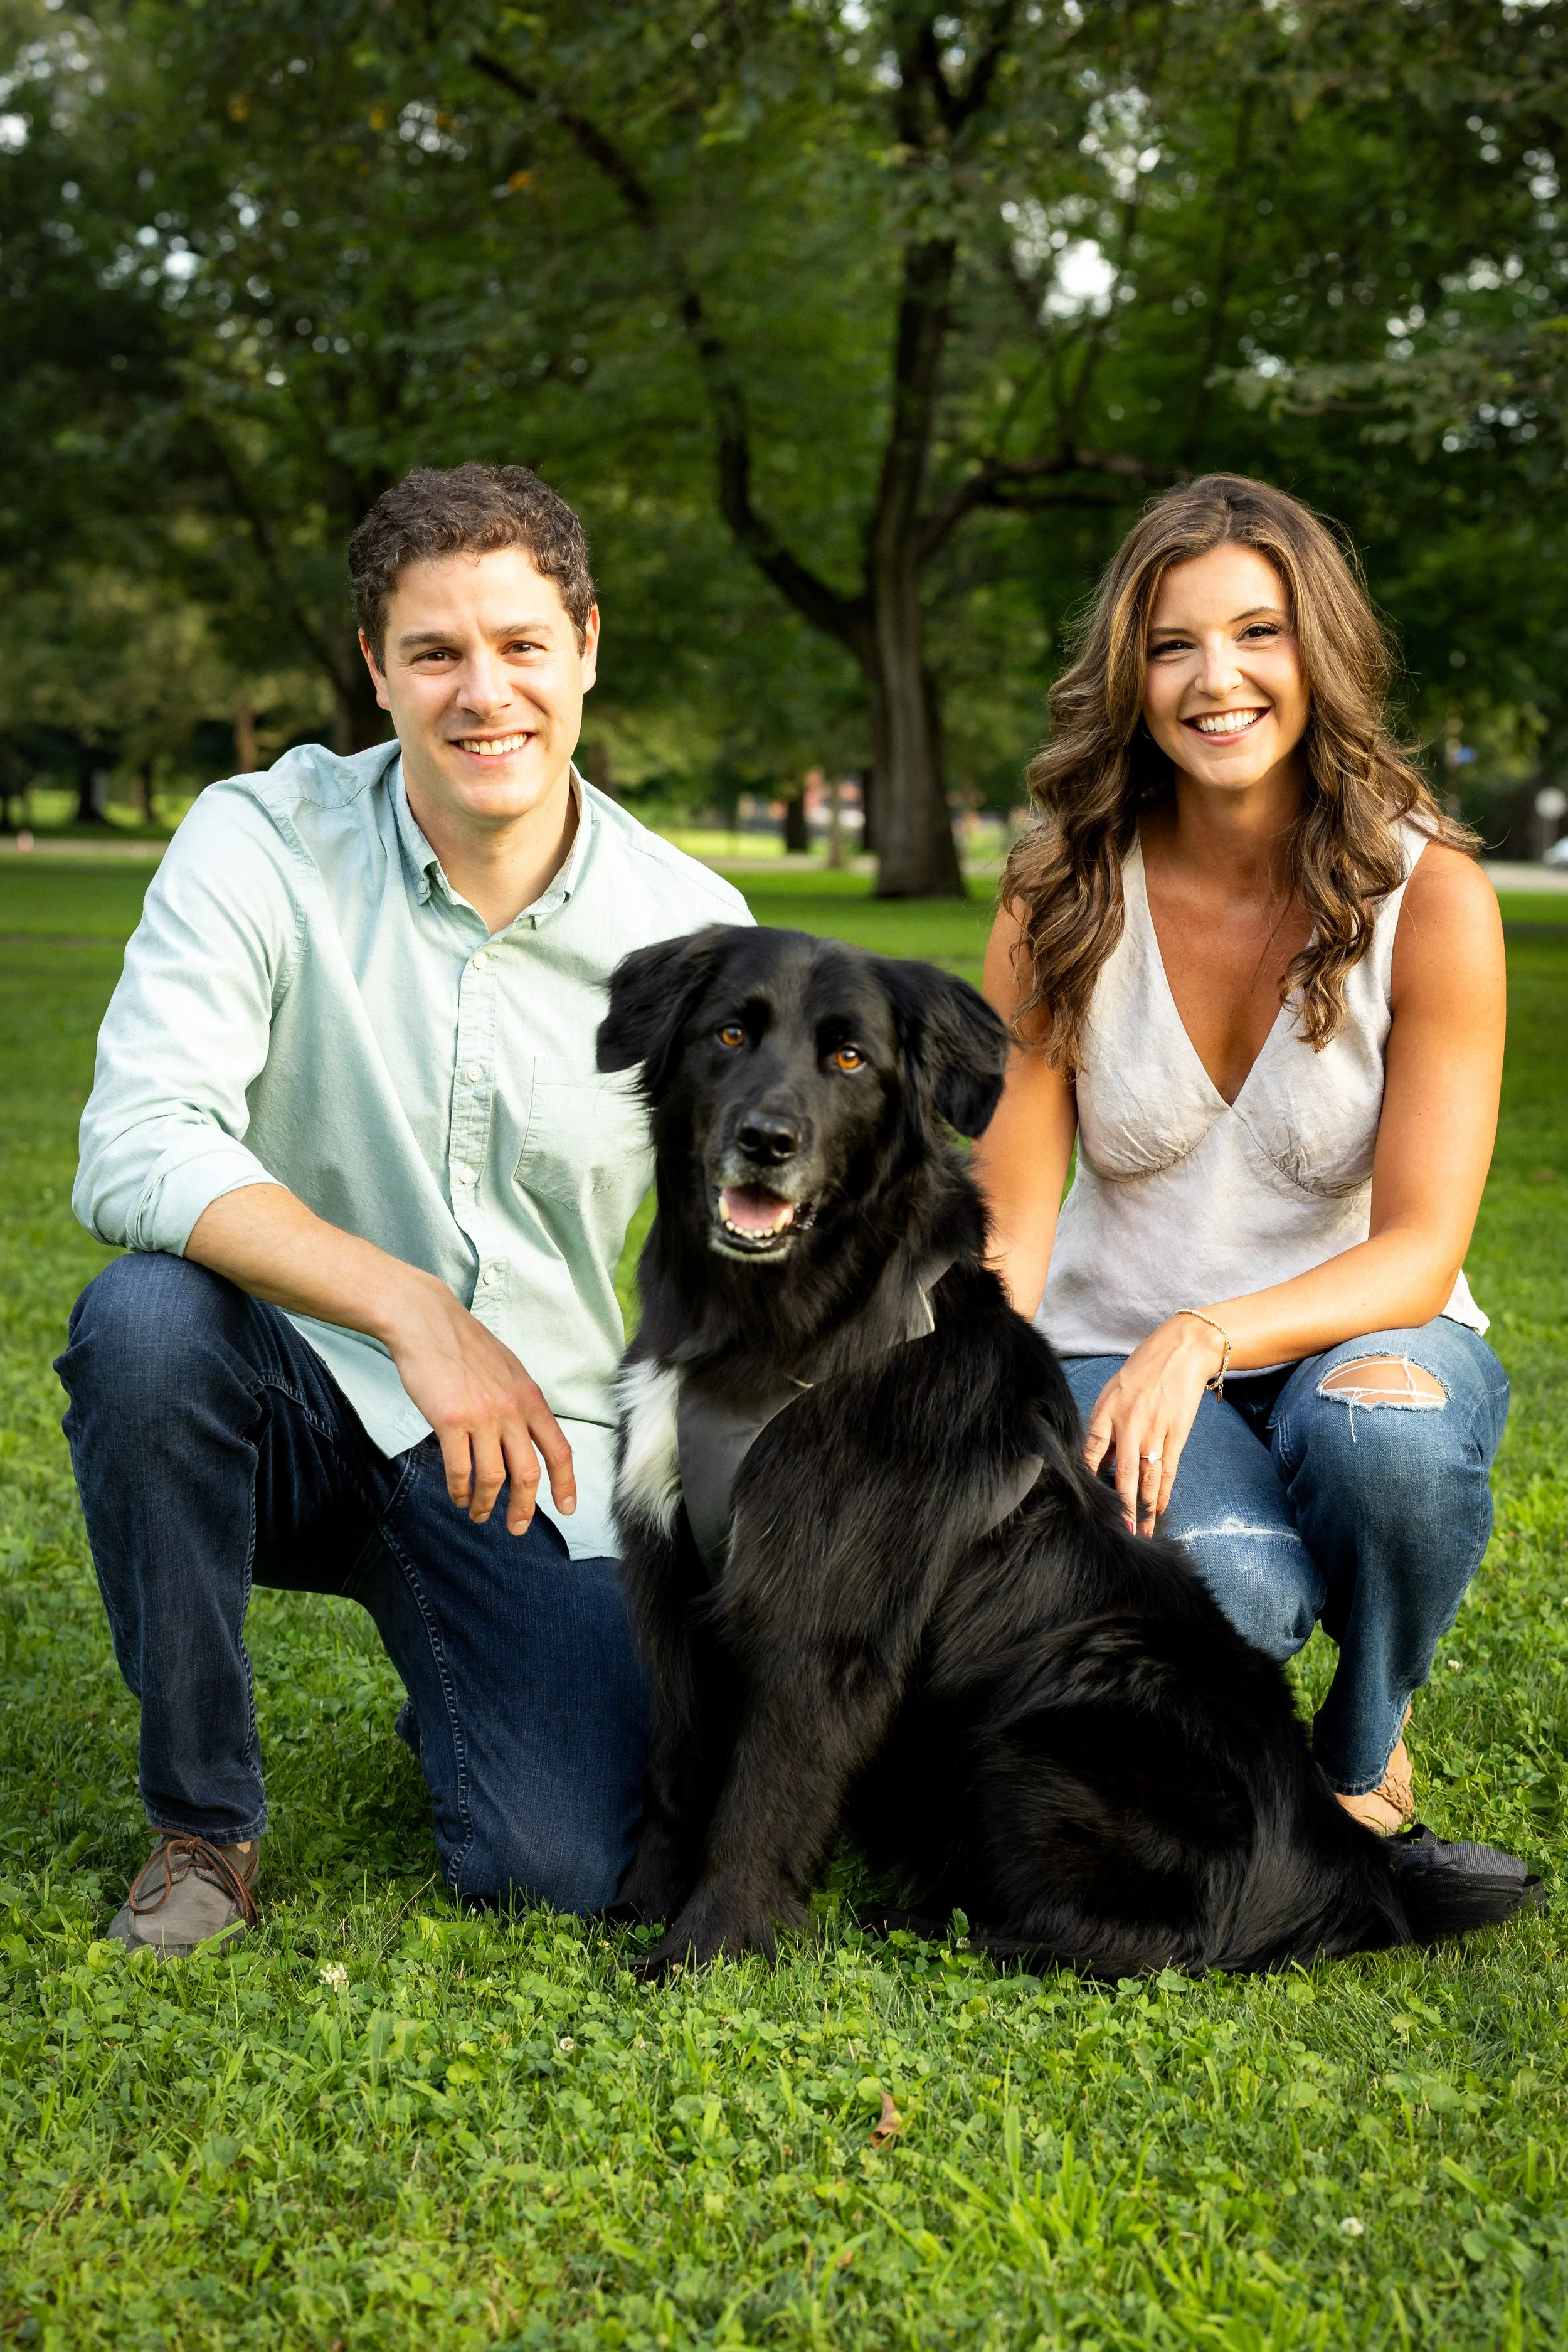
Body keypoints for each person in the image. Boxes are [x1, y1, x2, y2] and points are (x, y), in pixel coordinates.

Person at [58, 462, 750, 1956]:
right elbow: (135, 1141)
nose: (480, 692)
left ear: (583, 649)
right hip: (287, 1400)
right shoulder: (260, 839)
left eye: (517, 645)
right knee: (145, 1323)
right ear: (375, 671)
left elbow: (752, 1256)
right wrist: (409, 1309)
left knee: (555, 1864)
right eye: (433, 651)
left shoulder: (696, 939)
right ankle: (204, 1829)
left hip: (527, 1450)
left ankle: (463, 1669)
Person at [972, 474, 1508, 1837]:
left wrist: (1204, 1334)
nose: (1217, 678)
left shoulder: (1429, 896)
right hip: (1117, 1348)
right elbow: (1011, 1219)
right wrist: (961, 1395)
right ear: (1130, 675)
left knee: (1382, 1441)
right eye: (1171, 645)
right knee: (1234, 1591)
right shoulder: (1057, 895)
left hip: (1361, 1332)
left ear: (1314, 652)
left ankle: (1361, 1735)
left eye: (1256, 633)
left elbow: (1417, 1248)